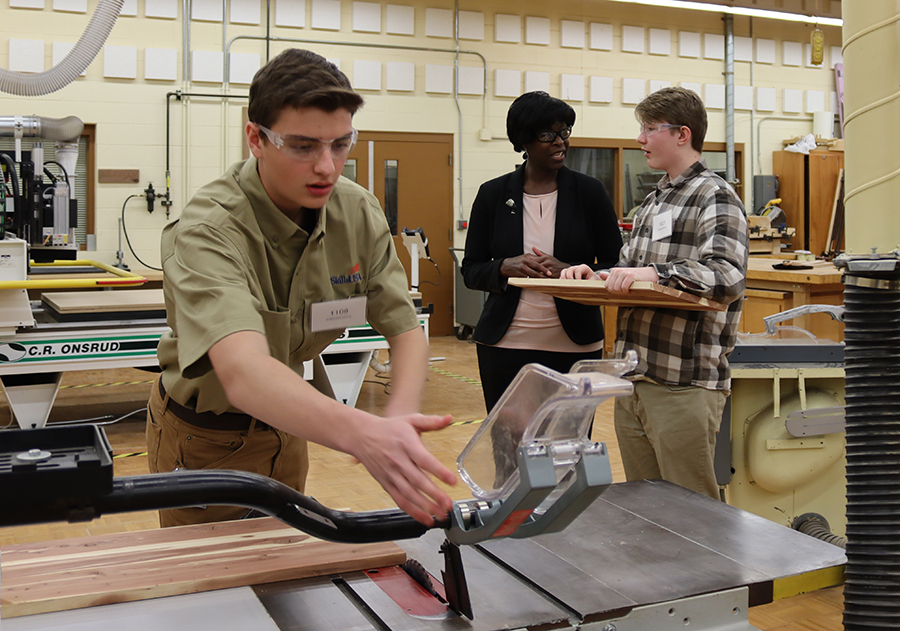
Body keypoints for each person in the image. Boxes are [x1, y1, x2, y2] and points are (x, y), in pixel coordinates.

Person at [147, 48, 456, 528]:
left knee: (281, 572)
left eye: (341, 145)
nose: (328, 167)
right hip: (204, 439)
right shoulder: (208, 229)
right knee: (217, 591)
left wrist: (397, 418)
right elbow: (245, 373)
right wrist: (362, 434)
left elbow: (405, 329)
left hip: (291, 424)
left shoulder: (357, 211)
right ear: (256, 138)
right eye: (303, 146)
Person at [562, 87, 748, 500]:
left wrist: (655, 273)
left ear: (683, 134)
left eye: (649, 129)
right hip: (635, 378)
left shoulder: (714, 196)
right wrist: (595, 276)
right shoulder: (651, 202)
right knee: (648, 508)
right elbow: (631, 269)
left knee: (692, 512)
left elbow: (727, 276)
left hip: (683, 384)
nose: (640, 139)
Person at [461, 91, 622, 413]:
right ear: (523, 141)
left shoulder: (589, 192)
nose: (560, 142)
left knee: (569, 447)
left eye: (565, 132)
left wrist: (571, 269)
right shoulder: (493, 194)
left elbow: (615, 262)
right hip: (506, 343)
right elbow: (471, 270)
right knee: (509, 446)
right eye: (548, 135)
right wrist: (505, 266)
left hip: (575, 344)